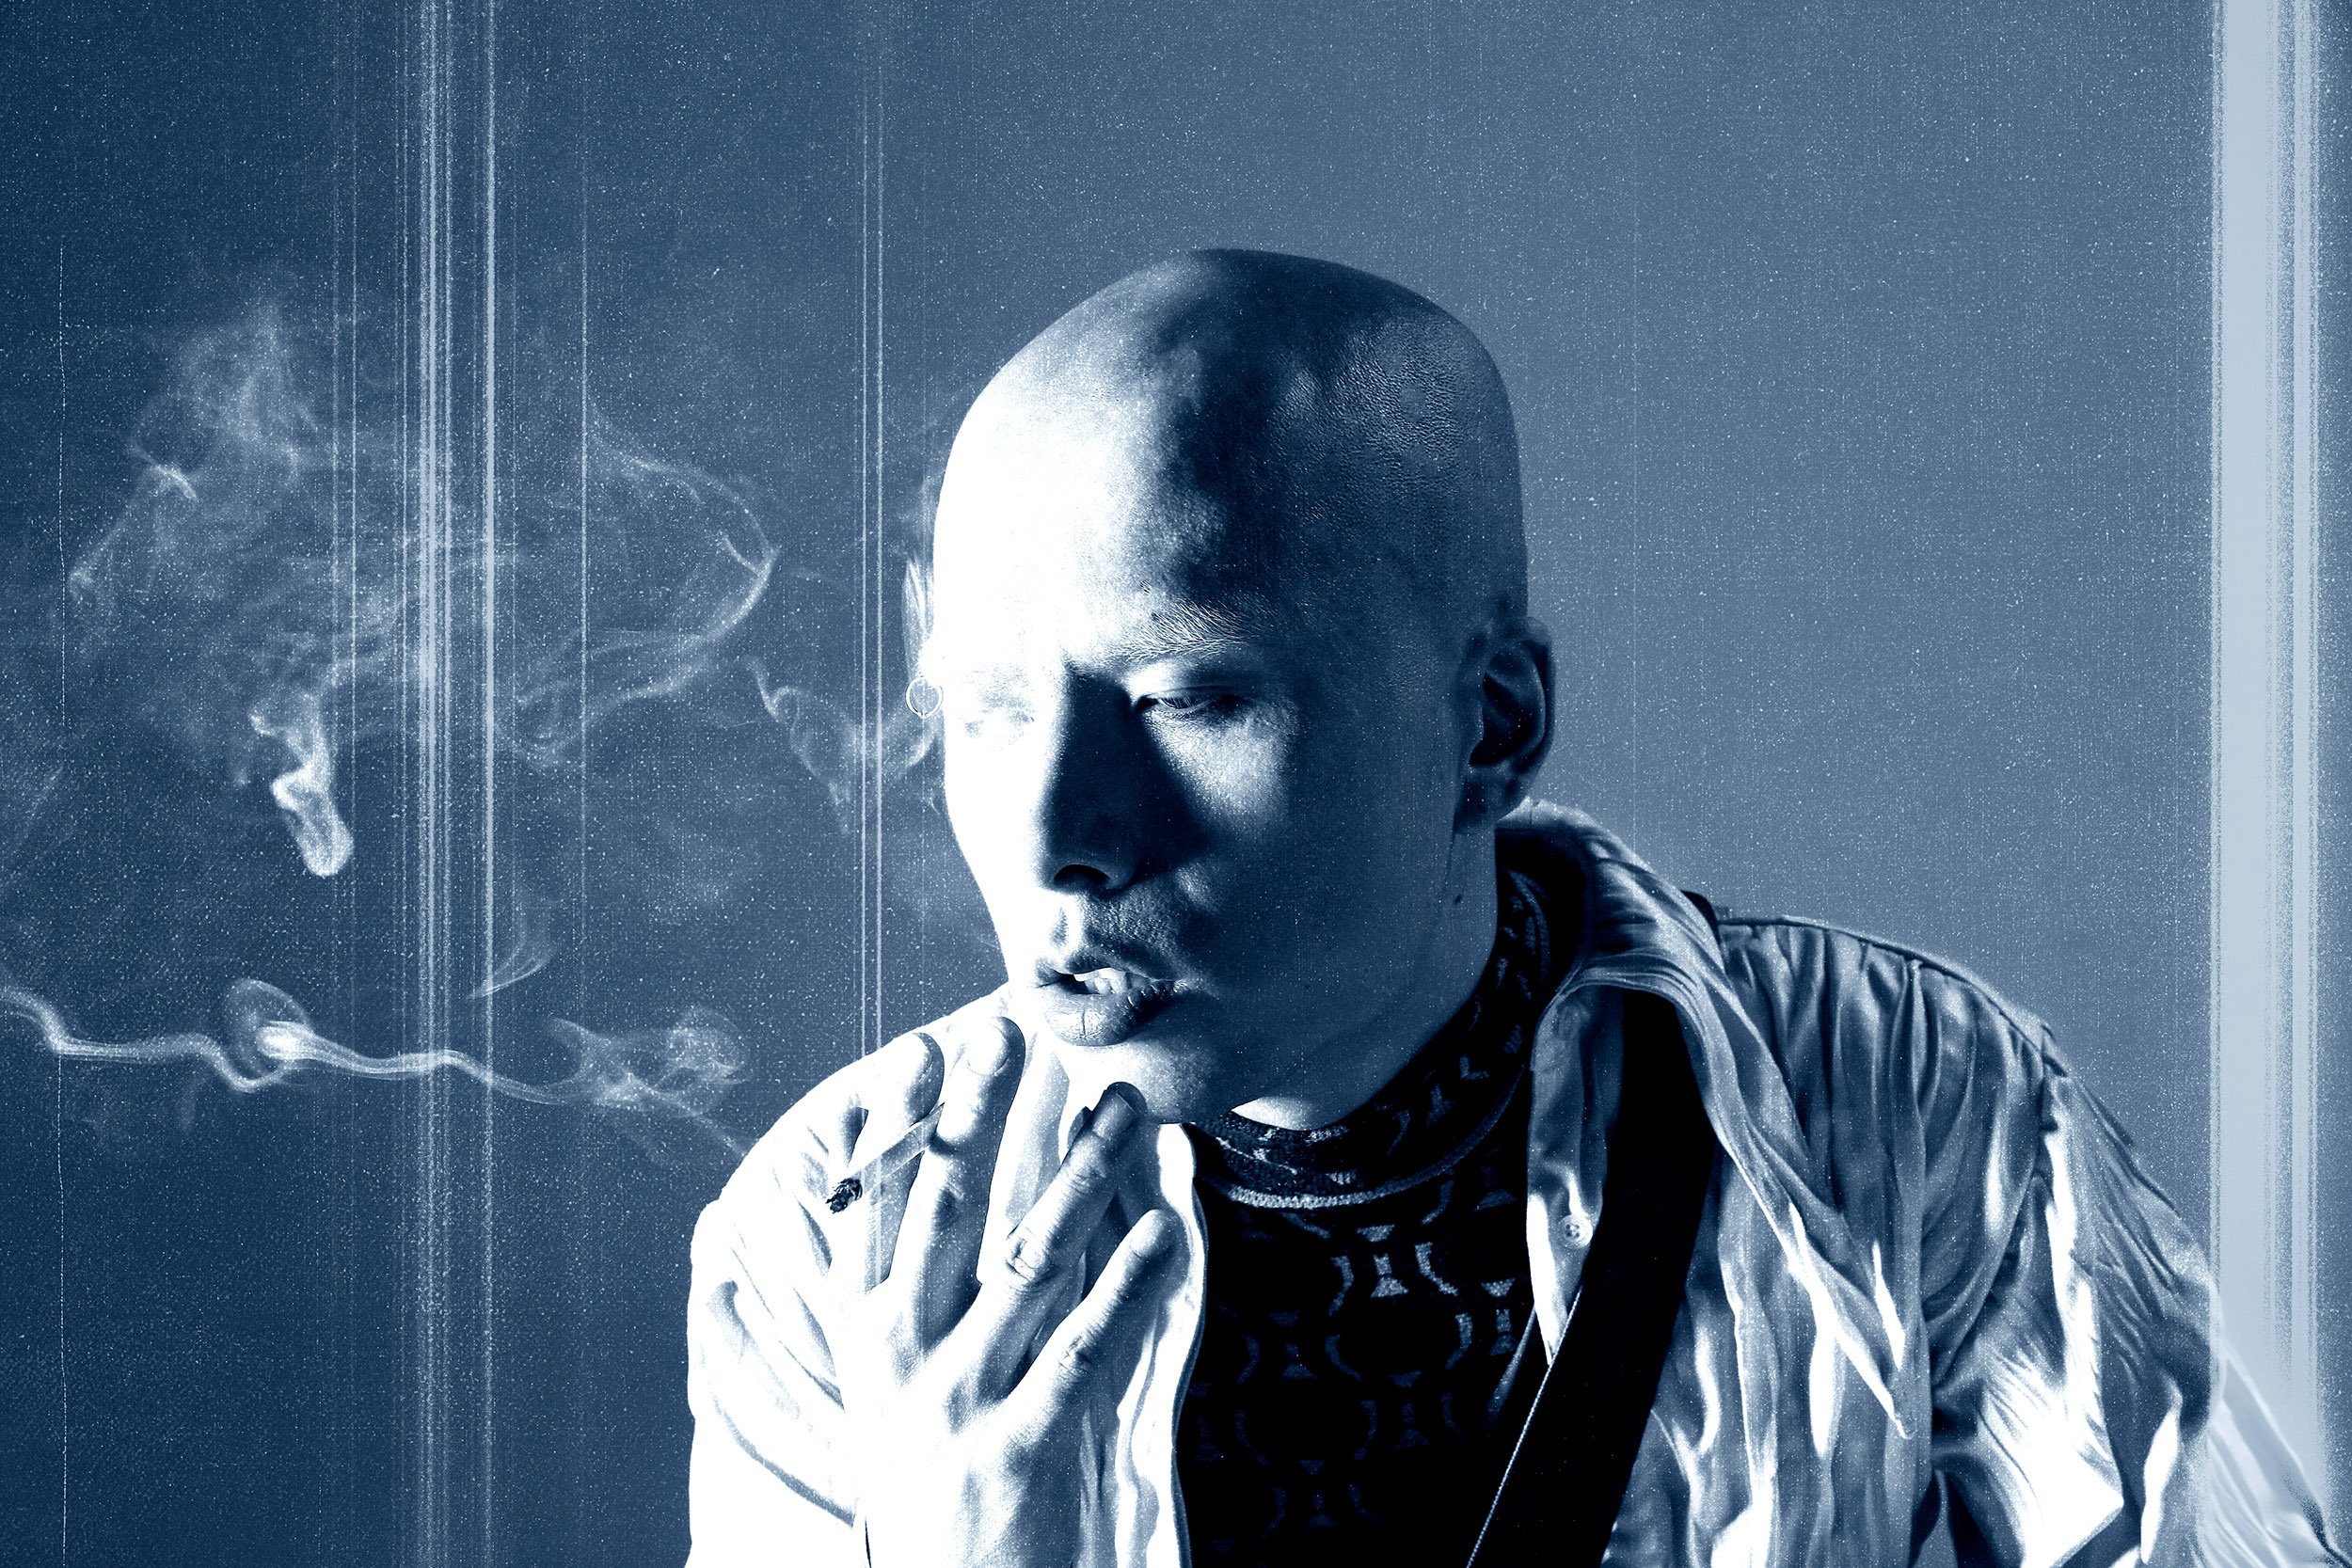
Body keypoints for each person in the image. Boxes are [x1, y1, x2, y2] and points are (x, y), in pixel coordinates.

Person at [683, 249, 2343, 1566]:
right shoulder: (840, 1235)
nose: (1061, 838)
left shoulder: (1913, 1108)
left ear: (1490, 728)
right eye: (987, 711)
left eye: (1188, 698)